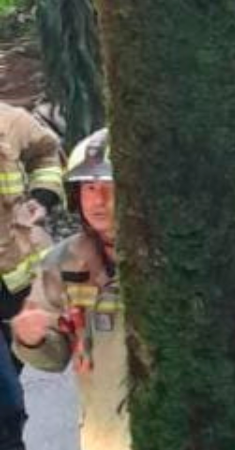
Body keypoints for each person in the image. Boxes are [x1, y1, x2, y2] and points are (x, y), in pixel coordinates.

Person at [11, 129, 130, 449]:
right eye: (89, 188)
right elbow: (53, 358)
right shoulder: (62, 263)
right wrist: (31, 337)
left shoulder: (175, 258)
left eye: (109, 187)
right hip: (105, 434)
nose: (99, 200)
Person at [0, 102, 65, 449]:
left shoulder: (11, 121)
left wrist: (41, 198)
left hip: (18, 285)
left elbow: (47, 153)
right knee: (6, 399)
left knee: (8, 392)